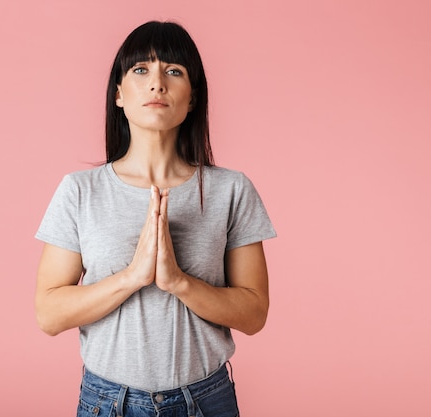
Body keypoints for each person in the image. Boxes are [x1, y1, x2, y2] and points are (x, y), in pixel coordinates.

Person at [34, 20, 276, 417]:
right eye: (141, 70)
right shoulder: (80, 191)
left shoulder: (231, 190)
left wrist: (178, 281)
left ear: (192, 98)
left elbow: (254, 314)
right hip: (109, 403)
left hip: (206, 401)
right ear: (118, 94)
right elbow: (49, 314)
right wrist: (132, 276)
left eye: (174, 71)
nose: (157, 83)